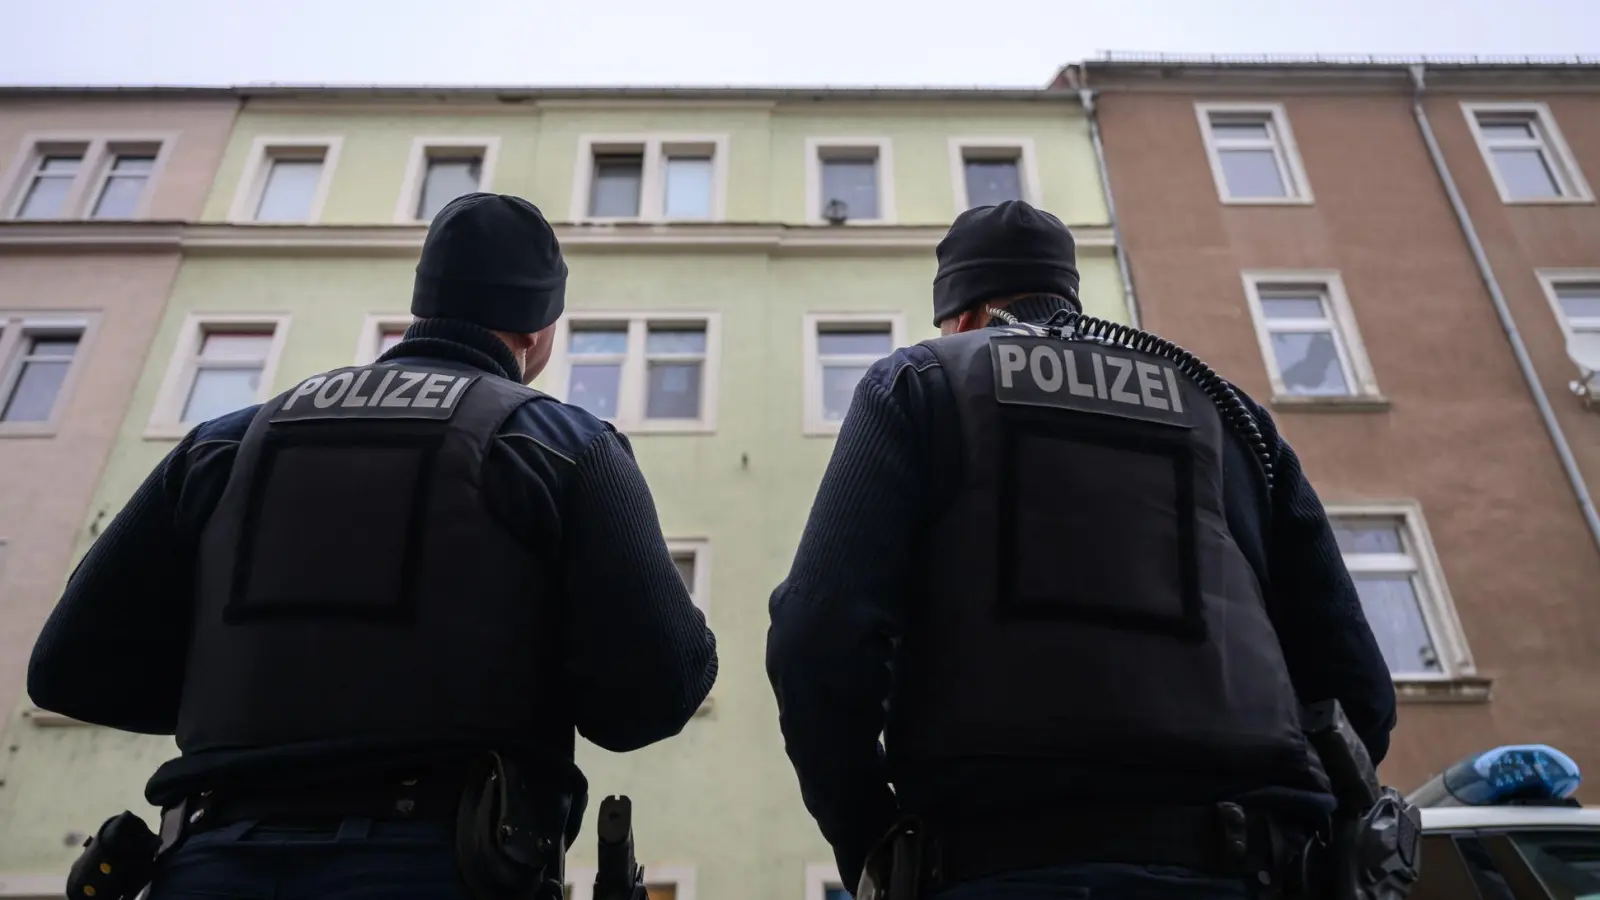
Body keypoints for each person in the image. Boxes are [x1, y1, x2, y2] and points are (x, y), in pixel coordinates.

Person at [28, 193, 718, 900]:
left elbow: (67, 670)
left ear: (419, 308)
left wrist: (244, 697)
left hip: (211, 860)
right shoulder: (561, 446)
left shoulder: (224, 444)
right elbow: (654, 696)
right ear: (540, 331)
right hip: (448, 864)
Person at [766, 200, 1397, 898]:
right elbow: (1356, 690)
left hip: (999, 866)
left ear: (964, 316)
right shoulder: (1229, 415)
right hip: (1247, 866)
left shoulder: (922, 382)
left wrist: (871, 840)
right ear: (1066, 292)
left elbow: (817, 636)